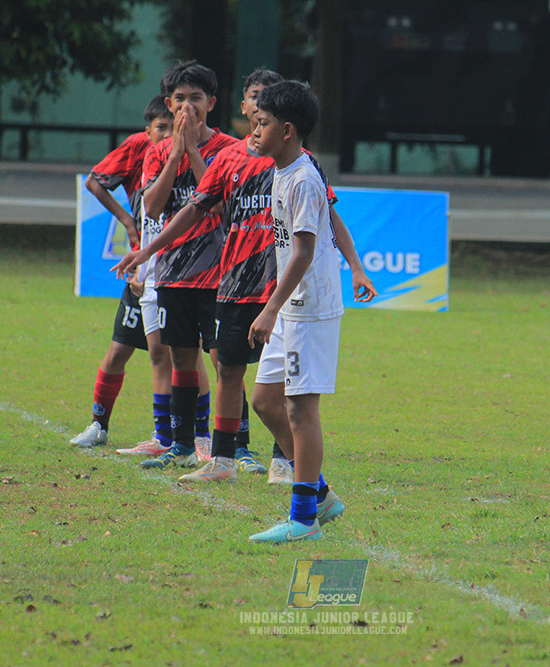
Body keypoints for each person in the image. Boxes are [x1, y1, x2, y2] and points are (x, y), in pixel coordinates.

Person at [113, 70, 376, 489]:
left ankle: (295, 476)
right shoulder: (242, 161)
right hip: (239, 284)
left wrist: (355, 266)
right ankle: (230, 459)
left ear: (284, 127)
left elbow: (319, 231)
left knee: (295, 401)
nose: (255, 119)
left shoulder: (300, 172)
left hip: (287, 294)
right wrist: (148, 248)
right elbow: (197, 207)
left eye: (264, 114)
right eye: (253, 107)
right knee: (249, 386)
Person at [240, 80, 349, 543]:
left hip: (309, 309)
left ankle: (304, 518)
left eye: (261, 123)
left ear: (287, 131)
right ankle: (321, 495)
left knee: (301, 410)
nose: (253, 129)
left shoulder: (303, 179)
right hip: (290, 308)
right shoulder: (282, 170)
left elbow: (302, 252)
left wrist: (269, 309)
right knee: (265, 401)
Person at [132, 60, 237, 471]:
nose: (187, 108)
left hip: (219, 274)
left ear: (211, 102)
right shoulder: (157, 152)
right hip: (173, 272)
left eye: (196, 99)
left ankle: (232, 447)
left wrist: (193, 149)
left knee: (222, 361)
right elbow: (153, 208)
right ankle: (182, 444)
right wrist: (176, 151)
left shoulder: (230, 149)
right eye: (179, 100)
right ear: (168, 104)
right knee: (181, 359)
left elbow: (222, 206)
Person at [69, 96, 172, 448]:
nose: (168, 134)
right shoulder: (139, 148)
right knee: (118, 351)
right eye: (161, 128)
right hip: (144, 269)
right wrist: (128, 220)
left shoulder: (193, 154)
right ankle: (99, 425)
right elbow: (96, 181)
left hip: (179, 271)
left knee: (177, 356)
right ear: (148, 130)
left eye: (174, 128)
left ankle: (179, 435)